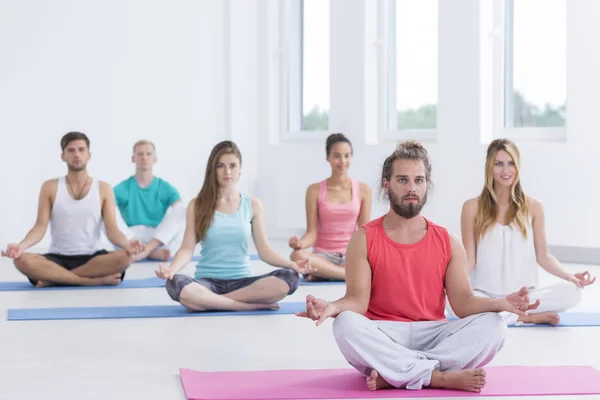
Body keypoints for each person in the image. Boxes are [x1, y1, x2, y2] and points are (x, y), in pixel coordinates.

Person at [296, 140, 538, 393]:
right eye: (402, 180)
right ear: (386, 184)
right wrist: (333, 307)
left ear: (426, 185)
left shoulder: (448, 240)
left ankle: (397, 373)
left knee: (495, 326)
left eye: (419, 180)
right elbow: (357, 301)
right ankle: (436, 377)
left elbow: (463, 303)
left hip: (434, 333)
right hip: (385, 333)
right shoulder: (364, 238)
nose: (412, 188)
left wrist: (501, 303)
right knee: (344, 324)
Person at [155, 140, 314, 311]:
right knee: (176, 283)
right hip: (207, 282)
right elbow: (186, 249)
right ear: (212, 170)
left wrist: (292, 265)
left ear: (240, 169)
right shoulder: (197, 205)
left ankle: (211, 302)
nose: (227, 171)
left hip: (243, 284)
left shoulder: (253, 204)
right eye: (220, 166)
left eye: (233, 165)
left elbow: (265, 251)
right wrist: (172, 269)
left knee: (289, 277)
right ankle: (243, 306)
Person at [455, 139, 595, 326]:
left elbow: (543, 256)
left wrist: (569, 276)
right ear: (489, 166)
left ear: (518, 166)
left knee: (574, 292)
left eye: (511, 163)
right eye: (499, 164)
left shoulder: (534, 207)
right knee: (451, 300)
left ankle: (507, 315)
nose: (506, 170)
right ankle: (524, 317)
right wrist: (452, 285)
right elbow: (469, 259)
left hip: (526, 297)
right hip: (487, 296)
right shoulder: (471, 207)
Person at [1, 132, 144, 287]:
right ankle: (92, 281)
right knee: (21, 260)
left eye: (81, 150)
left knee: (124, 258)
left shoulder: (103, 188)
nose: (77, 154)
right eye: (71, 150)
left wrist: (127, 244)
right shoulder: (50, 187)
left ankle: (55, 279)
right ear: (63, 156)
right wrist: (21, 246)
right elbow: (39, 227)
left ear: (89, 155)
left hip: (92, 259)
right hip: (57, 258)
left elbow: (112, 230)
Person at [289, 133, 372, 281]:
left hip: (350, 253)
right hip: (323, 256)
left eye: (347, 156)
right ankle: (345, 274)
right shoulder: (314, 190)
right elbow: (311, 233)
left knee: (373, 259)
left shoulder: (364, 190)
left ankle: (323, 274)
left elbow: (363, 231)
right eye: (337, 156)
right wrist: (300, 244)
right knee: (296, 255)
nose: (342, 161)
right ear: (327, 157)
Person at [109, 140, 185, 261]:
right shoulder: (122, 187)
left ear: (155, 159)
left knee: (182, 209)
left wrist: (150, 246)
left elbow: (180, 210)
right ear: (133, 158)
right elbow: (107, 211)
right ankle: (146, 252)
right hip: (130, 238)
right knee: (107, 208)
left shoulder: (165, 187)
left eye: (148, 154)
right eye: (140, 154)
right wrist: (130, 242)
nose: (144, 157)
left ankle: (146, 250)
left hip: (156, 238)